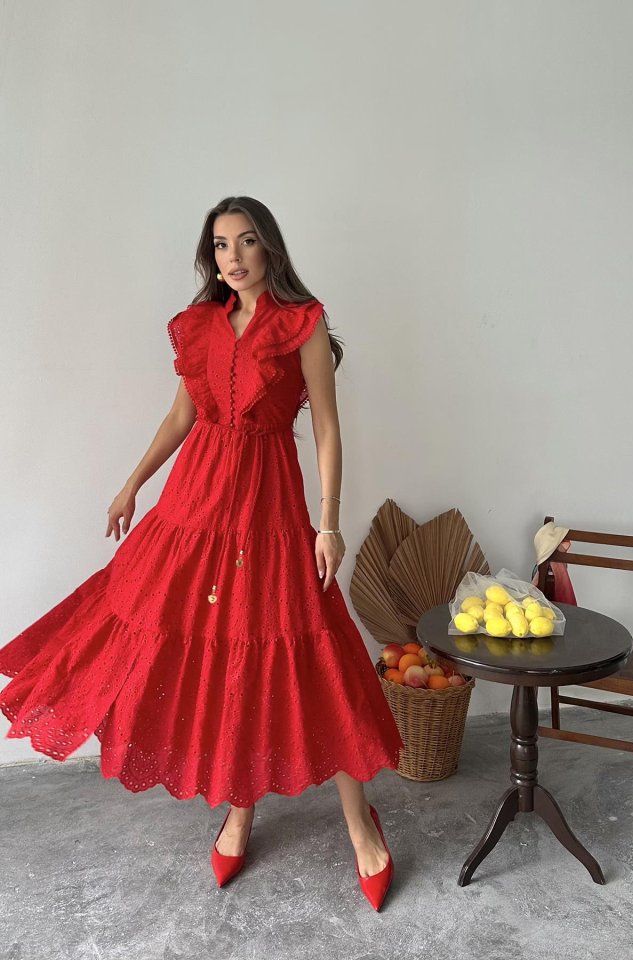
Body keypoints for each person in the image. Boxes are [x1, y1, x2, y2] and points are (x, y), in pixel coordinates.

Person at [0, 196, 404, 911]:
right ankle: (239, 813)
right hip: (196, 504)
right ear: (209, 257)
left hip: (270, 508)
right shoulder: (199, 326)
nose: (233, 256)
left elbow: (327, 430)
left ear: (270, 248)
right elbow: (182, 415)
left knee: (309, 647)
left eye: (246, 241)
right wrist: (131, 484)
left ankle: (360, 824)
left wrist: (328, 523)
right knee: (224, 653)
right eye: (220, 245)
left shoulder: (303, 323)